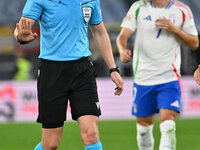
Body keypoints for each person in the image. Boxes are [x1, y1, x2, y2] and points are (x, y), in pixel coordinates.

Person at [14, 0, 124, 150]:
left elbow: (99, 31)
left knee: (91, 134)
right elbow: (21, 27)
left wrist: (113, 69)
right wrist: (20, 36)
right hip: (51, 71)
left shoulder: (91, 1)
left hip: (82, 70)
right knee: (50, 144)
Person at [117, 0, 199, 150]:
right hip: (143, 78)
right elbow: (122, 37)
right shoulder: (138, 7)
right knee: (143, 130)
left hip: (169, 77)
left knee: (168, 126)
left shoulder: (182, 10)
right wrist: (122, 50)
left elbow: (194, 42)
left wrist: (175, 30)